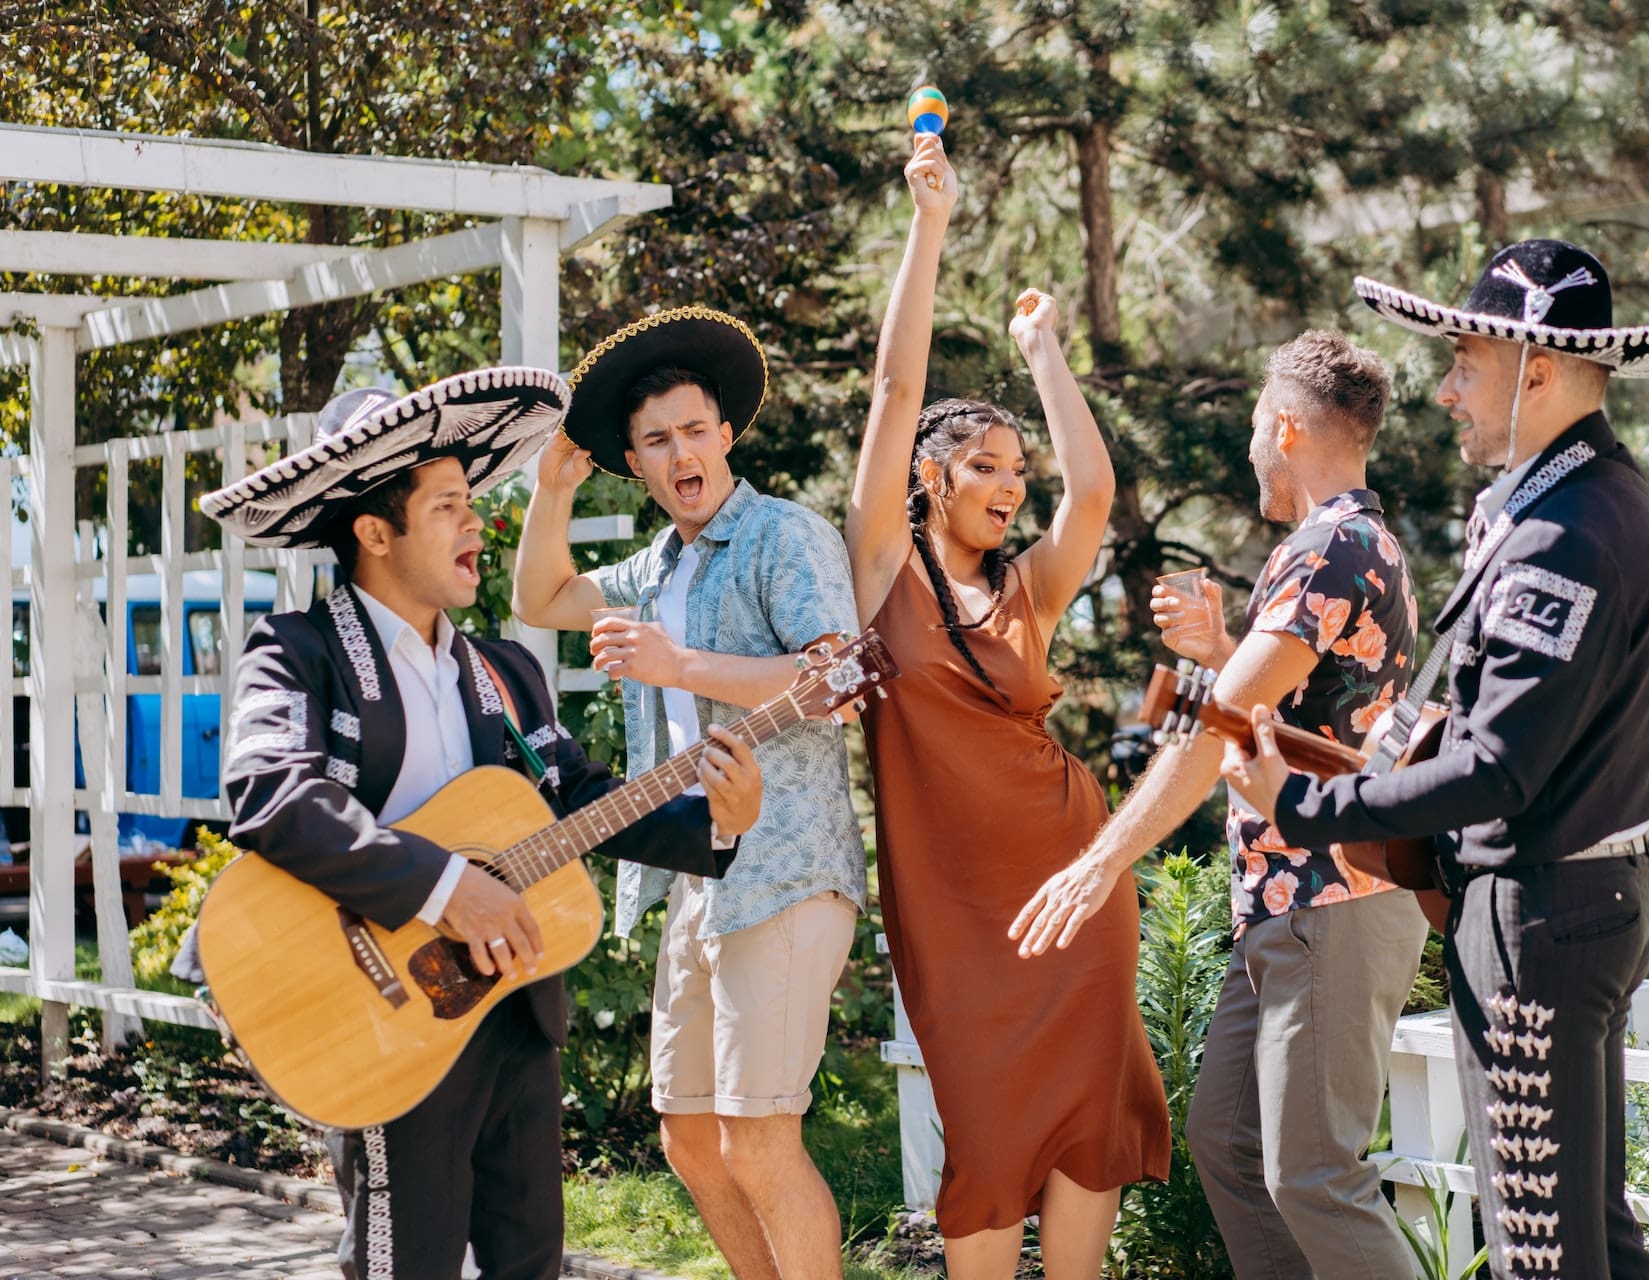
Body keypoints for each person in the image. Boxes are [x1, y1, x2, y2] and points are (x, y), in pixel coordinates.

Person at [199, 368, 763, 1280]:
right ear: (375, 532)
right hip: (383, 1010)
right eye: (451, 506)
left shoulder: (504, 671)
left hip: (510, 1009)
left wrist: (718, 826)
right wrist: (445, 886)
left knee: (531, 1262)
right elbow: (272, 792)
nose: (479, 525)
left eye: (476, 503)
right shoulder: (297, 654)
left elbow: (576, 799)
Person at [1222, 240, 1649, 1280]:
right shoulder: (1589, 504)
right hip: (1564, 900)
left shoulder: (1567, 532)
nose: (1445, 389)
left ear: (1537, 368)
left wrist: (1303, 802)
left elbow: (1495, 765)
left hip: (1540, 910)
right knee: (1590, 1241)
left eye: (1466, 362)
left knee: (1542, 1247)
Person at [1012, 329, 1428, 1279]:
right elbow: (1282, 713)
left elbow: (1218, 733)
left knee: (1316, 1174)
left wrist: (1100, 859)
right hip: (1283, 905)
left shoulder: (1331, 547)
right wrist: (1221, 650)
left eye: (1252, 426)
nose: (1250, 449)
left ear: (1283, 426)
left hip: (1335, 901)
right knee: (1232, 1145)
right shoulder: (1338, 548)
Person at [844, 131, 1168, 1280]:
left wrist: (1043, 351)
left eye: (1014, 470)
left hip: (1075, 881)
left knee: (1090, 1120)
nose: (1010, 484)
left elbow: (1094, 489)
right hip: (955, 912)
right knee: (982, 1129)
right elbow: (896, 388)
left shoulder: (1027, 587)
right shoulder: (882, 566)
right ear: (929, 479)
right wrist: (929, 229)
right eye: (986, 465)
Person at [511, 309, 864, 1280]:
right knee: (692, 1140)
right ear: (636, 458)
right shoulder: (655, 565)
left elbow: (838, 682)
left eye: (696, 429)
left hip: (787, 869)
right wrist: (549, 493)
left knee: (759, 1140)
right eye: (658, 439)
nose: (682, 452)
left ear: (728, 434)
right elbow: (538, 600)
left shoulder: (784, 535)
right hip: (697, 877)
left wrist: (682, 662)